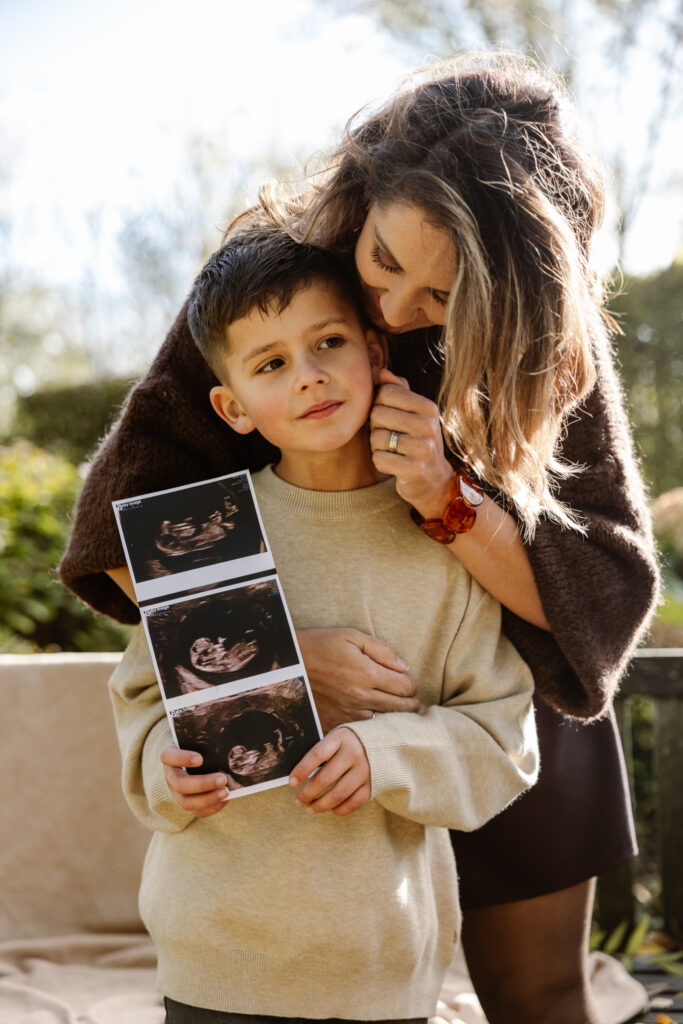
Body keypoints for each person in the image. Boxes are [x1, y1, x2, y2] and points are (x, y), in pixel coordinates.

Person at [60, 53, 659, 1024]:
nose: (388, 312)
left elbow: (602, 593)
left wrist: (449, 501)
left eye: (440, 296)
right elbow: (126, 521)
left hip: (507, 707)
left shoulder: (551, 349)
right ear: (363, 189)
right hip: (308, 734)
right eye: (383, 262)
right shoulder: (273, 275)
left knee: (537, 994)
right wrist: (280, 656)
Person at [109, 224, 539, 1023]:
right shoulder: (194, 538)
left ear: (376, 352)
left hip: (380, 966)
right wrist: (165, 765)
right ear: (233, 406)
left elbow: (501, 742)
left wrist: (385, 753)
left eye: (328, 343)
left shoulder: (446, 537)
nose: (307, 378)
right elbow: (139, 702)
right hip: (212, 959)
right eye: (271, 364)